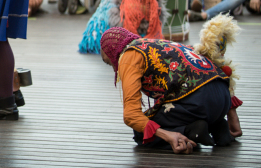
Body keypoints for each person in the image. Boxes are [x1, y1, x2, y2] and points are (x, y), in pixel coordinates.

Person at [100, 26, 242, 152]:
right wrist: (231, 111)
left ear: (112, 52)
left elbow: (131, 116)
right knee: (162, 113)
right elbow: (209, 65)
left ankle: (192, 131)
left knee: (141, 132)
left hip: (198, 101)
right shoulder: (156, 43)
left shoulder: (128, 56)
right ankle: (217, 126)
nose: (114, 68)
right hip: (222, 96)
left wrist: (168, 136)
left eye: (109, 62)